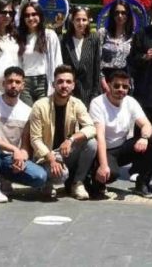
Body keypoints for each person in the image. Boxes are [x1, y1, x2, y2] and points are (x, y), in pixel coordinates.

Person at [28, 65, 97, 201]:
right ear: (53, 84)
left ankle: (77, 183)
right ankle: (47, 182)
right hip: (45, 156)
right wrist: (51, 158)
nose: (64, 85)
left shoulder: (77, 103)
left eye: (68, 82)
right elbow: (35, 139)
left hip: (65, 152)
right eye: (60, 81)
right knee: (61, 175)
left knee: (92, 143)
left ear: (73, 85)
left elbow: (91, 127)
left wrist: (71, 140)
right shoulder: (40, 105)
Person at [0, 66, 48, 203]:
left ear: (23, 85)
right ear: (3, 84)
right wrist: (14, 149)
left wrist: (22, 158)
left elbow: (25, 145)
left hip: (10, 159)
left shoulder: (28, 111)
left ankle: (6, 178)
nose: (13, 85)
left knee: (40, 177)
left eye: (17, 82)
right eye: (10, 81)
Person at [89, 69, 152, 198]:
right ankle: (95, 177)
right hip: (103, 150)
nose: (121, 89)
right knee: (111, 174)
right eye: (116, 86)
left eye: (125, 86)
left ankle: (142, 184)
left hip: (121, 148)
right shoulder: (98, 103)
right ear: (109, 85)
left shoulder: (130, 101)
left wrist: (143, 138)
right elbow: (100, 137)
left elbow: (147, 125)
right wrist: (104, 166)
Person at [15, 2, 62, 105]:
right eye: (27, 15)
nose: (31, 18)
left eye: (34, 14)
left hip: (44, 81)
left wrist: (57, 82)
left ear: (40, 16)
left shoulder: (49, 35)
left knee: (43, 115)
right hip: (25, 82)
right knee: (28, 115)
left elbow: (57, 60)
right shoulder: (19, 37)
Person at [61, 6, 102, 106]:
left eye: (84, 20)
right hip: (69, 92)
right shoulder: (64, 40)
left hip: (88, 94)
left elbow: (96, 68)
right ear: (72, 20)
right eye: (78, 19)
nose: (81, 23)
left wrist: (95, 94)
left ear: (88, 21)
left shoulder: (94, 39)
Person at [100, 0, 135, 89]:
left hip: (124, 83)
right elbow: (96, 60)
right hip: (105, 80)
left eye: (123, 13)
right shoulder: (103, 33)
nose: (120, 16)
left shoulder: (133, 37)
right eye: (117, 13)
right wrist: (103, 82)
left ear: (128, 15)